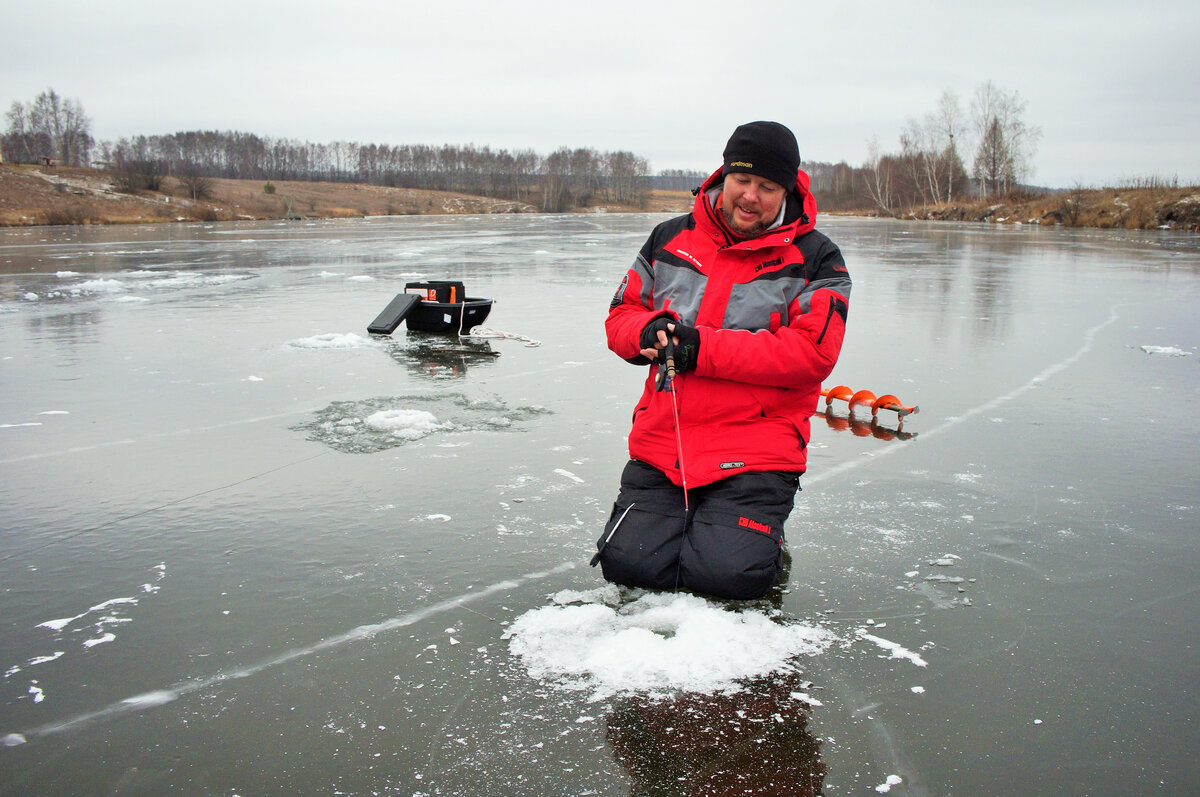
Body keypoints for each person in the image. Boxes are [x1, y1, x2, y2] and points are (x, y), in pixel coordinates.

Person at [592, 121, 851, 601]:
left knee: (729, 577)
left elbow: (812, 353)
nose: (750, 196)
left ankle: (758, 538)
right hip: (666, 441)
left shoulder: (817, 259)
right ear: (723, 176)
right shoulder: (669, 238)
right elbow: (620, 316)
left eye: (767, 187)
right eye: (742, 180)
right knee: (628, 565)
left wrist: (699, 348)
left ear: (787, 189)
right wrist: (644, 333)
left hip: (756, 447)